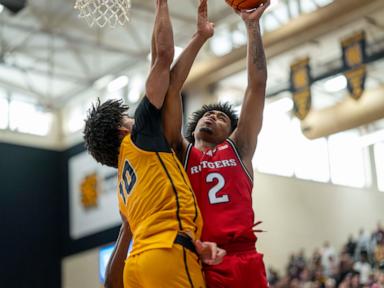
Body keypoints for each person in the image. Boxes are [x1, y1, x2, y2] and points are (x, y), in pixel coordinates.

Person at [83, 1, 224, 287]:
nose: (135, 119)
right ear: (123, 129)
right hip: (167, 255)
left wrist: (199, 37)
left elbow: (160, 74)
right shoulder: (139, 139)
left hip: (138, 267)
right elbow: (162, 57)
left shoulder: (126, 184)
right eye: (129, 118)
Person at [162, 1, 270, 287]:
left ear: (231, 132)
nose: (212, 116)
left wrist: (252, 26)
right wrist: (199, 38)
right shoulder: (182, 152)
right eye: (208, 114)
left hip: (245, 257)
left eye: (222, 117)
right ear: (194, 126)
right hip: (204, 260)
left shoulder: (240, 148)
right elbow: (172, 88)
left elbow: (256, 86)